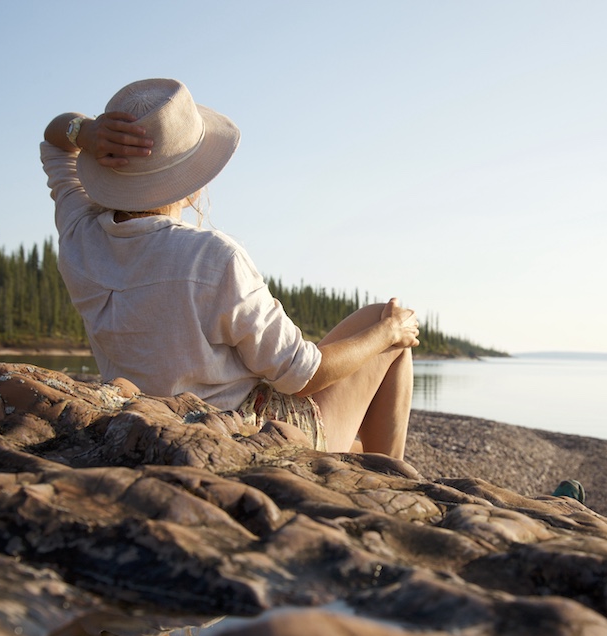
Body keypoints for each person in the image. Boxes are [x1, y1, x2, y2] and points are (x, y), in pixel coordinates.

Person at [41, 78, 419, 458]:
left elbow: (54, 139)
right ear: (189, 182)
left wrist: (84, 131)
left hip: (149, 426)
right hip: (243, 435)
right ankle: (394, 477)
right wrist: (387, 333)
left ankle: (368, 463)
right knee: (385, 326)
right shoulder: (212, 257)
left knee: (357, 443)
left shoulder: (80, 235)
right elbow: (303, 376)